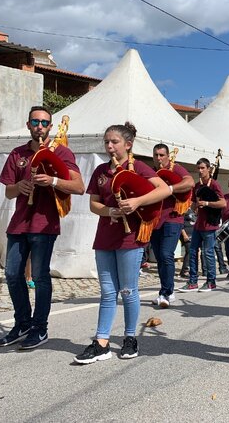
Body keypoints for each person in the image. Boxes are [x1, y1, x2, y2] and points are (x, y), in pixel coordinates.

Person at [74, 123, 171, 364]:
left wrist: (137, 201)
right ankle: (102, 342)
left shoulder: (139, 167)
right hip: (105, 236)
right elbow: (93, 204)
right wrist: (109, 211)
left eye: (114, 142)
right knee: (107, 292)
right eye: (106, 141)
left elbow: (164, 190)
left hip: (130, 238)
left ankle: (130, 338)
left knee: (128, 290)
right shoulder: (100, 171)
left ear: (128, 145)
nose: (109, 146)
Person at [0, 106, 85, 349]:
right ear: (28, 125)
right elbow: (8, 191)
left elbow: (79, 186)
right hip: (19, 223)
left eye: (45, 123)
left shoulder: (61, 152)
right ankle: (22, 323)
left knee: (40, 277)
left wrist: (53, 180)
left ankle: (40, 328)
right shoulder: (18, 153)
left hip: (44, 224)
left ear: (50, 127)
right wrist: (20, 186)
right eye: (35, 122)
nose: (40, 127)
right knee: (13, 275)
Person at [150, 143, 195, 308]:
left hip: (173, 219)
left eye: (162, 155)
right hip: (155, 220)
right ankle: (166, 291)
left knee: (166, 254)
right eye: (156, 155)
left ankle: (167, 293)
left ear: (168, 156)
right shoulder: (152, 172)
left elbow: (189, 183)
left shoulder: (176, 168)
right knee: (160, 258)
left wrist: (168, 188)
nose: (159, 158)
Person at [178, 157, 226, 292]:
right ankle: (193, 281)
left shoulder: (214, 185)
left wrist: (207, 203)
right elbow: (193, 205)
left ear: (208, 169)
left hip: (210, 226)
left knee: (208, 253)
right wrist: (186, 208)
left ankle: (211, 282)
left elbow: (223, 203)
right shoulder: (197, 185)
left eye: (202, 168)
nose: (200, 171)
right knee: (192, 252)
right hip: (198, 225)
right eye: (198, 168)